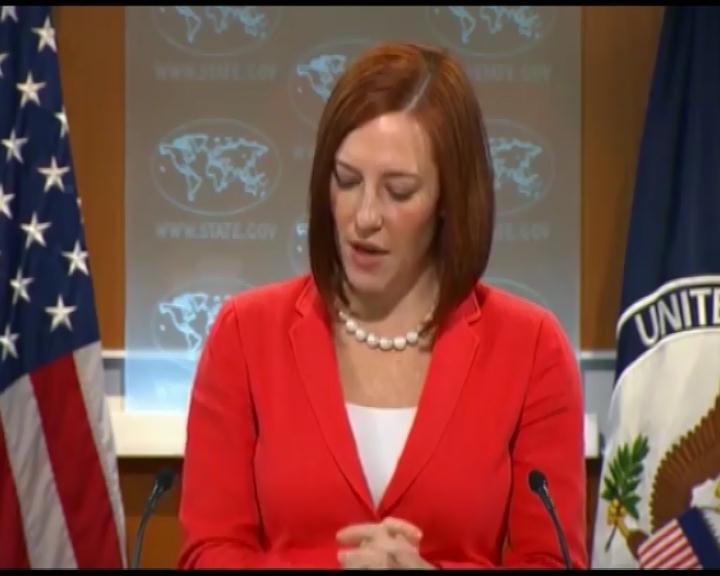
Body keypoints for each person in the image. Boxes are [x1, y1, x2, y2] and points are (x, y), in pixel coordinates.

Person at [177, 40, 587, 569]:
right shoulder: (245, 334)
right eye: (347, 181)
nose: (364, 216)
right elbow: (208, 552)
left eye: (399, 191)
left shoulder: (530, 349)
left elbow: (552, 561)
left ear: (448, 200)